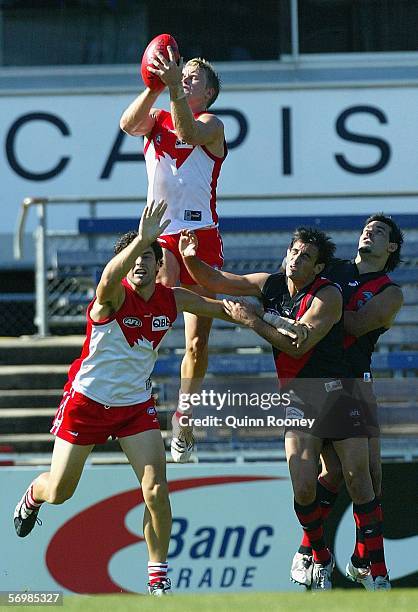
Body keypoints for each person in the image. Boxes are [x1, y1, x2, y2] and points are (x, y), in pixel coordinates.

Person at [14, 201, 299, 597]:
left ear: (159, 265)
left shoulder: (172, 297)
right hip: (87, 402)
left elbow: (221, 308)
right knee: (61, 491)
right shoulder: (111, 297)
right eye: (134, 259)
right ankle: (33, 496)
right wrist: (142, 239)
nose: (141, 265)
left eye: (149, 258)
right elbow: (110, 275)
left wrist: (267, 318)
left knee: (156, 490)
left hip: (134, 407)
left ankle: (157, 576)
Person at [180, 227, 390, 591]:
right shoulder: (271, 284)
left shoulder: (328, 295)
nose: (295, 258)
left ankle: (375, 572)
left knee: (360, 478)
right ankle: (320, 556)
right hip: (299, 398)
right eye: (293, 251)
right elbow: (216, 281)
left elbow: (297, 344)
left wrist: (255, 322)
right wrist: (189, 259)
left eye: (305, 256)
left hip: (339, 391)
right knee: (305, 486)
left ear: (318, 267)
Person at [120, 48, 227, 463]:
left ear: (210, 91)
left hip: (201, 240)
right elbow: (128, 125)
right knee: (149, 326)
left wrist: (172, 93)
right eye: (184, 72)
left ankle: (184, 416)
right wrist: (153, 86)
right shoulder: (156, 118)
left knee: (197, 342)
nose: (185, 77)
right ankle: (131, 406)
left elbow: (187, 134)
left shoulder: (212, 124)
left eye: (193, 76)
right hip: (161, 238)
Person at [290, 214, 403, 591]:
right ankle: (326, 555)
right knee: (334, 474)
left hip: (355, 383)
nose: (370, 231)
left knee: (366, 474)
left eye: (381, 231)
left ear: (391, 248)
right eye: (367, 227)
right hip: (313, 381)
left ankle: (360, 560)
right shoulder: (331, 267)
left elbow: (354, 325)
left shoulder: (390, 291)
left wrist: (321, 313)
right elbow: (291, 289)